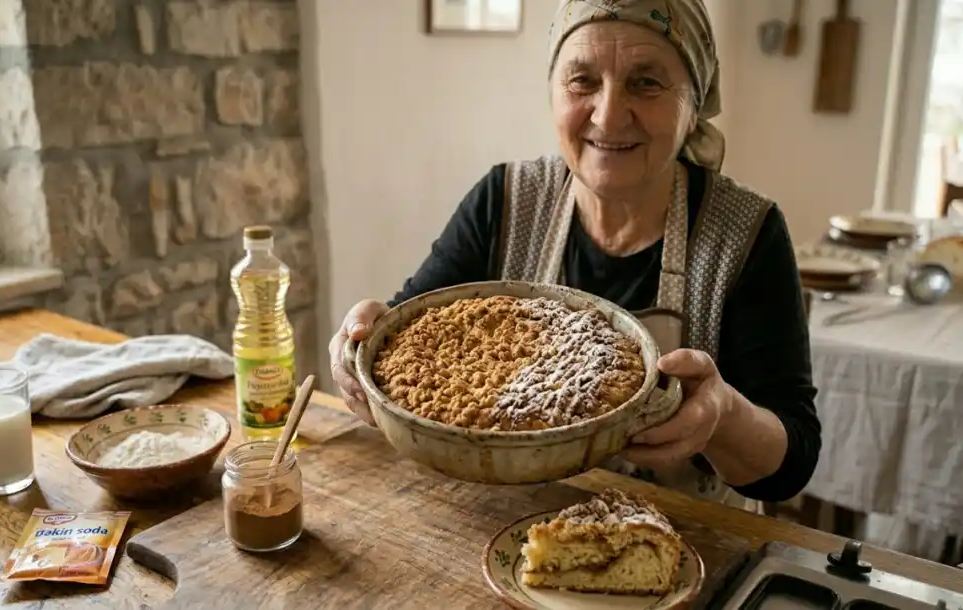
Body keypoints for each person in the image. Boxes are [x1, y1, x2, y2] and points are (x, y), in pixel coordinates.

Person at [329, 0, 819, 511]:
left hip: (679, 548)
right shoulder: (503, 200)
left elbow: (791, 464)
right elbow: (405, 344)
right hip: (507, 528)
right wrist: (359, 344)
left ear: (694, 103)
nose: (608, 115)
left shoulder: (745, 234)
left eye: (646, 83)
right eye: (582, 81)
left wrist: (724, 417)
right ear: (552, 92)